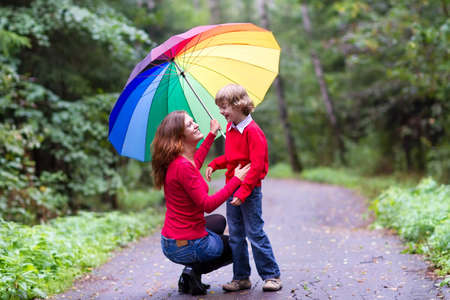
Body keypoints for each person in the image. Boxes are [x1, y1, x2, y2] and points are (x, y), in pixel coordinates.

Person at [151, 110, 250, 295]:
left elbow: (195, 163)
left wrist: (212, 134)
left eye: (193, 121)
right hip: (184, 244)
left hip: (172, 239)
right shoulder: (182, 166)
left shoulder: (179, 161)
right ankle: (192, 271)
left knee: (218, 221)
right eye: (190, 124)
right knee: (235, 245)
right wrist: (237, 179)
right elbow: (208, 204)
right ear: (179, 136)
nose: (196, 124)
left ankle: (191, 271)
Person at [205, 84, 282, 292]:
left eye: (224, 107)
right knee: (236, 236)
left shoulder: (253, 132)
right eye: (220, 107)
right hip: (233, 190)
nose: (221, 112)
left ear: (239, 105)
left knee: (255, 233)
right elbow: (232, 158)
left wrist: (243, 192)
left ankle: (271, 275)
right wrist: (215, 164)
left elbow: (257, 167)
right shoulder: (231, 129)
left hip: (249, 191)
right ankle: (241, 277)